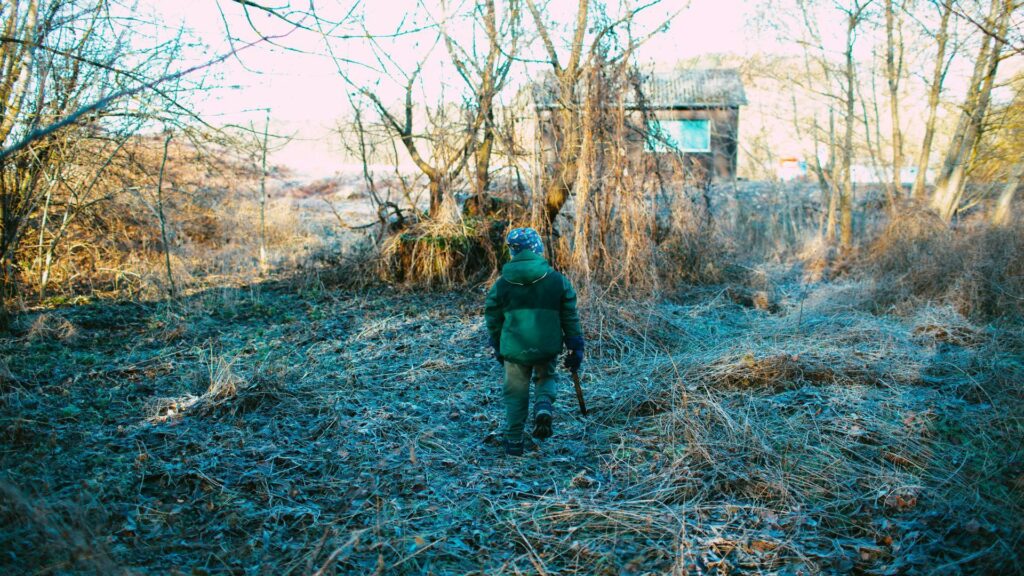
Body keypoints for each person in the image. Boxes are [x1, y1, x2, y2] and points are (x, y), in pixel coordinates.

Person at [484, 227, 584, 456]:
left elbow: (493, 317)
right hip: (546, 347)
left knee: (515, 394)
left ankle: (514, 443)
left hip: (514, 350)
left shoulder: (501, 284)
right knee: (546, 377)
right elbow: (569, 315)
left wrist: (498, 344)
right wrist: (575, 345)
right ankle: (543, 406)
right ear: (537, 248)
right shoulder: (557, 280)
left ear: (513, 252)